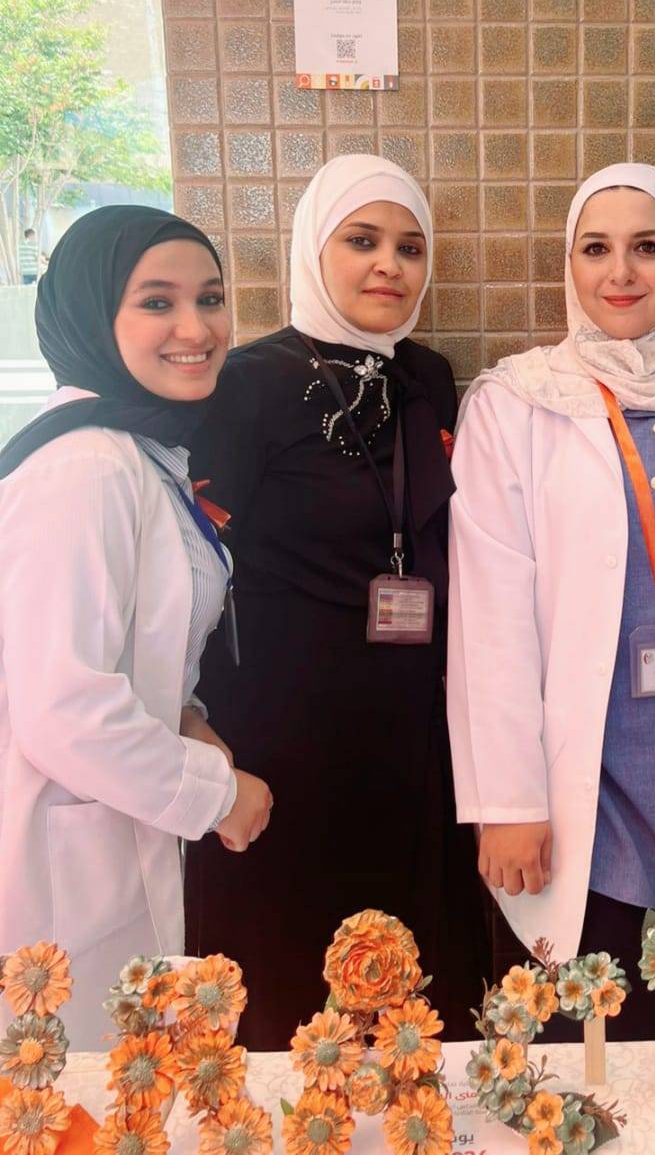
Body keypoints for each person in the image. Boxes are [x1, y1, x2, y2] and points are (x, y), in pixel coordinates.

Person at [447, 163, 655, 1040]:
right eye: (595, 249)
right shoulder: (515, 405)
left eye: (648, 247)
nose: (621, 273)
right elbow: (490, 622)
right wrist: (508, 801)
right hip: (588, 790)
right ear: (570, 266)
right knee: (588, 1048)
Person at [183, 155, 488, 1048]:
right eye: (361, 241)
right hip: (286, 728)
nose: (388, 264)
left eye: (409, 247)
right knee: (295, 974)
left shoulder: (428, 376)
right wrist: (190, 715)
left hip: (410, 722)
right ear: (314, 249)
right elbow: (196, 557)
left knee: (412, 973)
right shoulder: (246, 383)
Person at [0, 207, 272, 1048]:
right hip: (57, 863)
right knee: (75, 1087)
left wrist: (186, 716)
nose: (197, 329)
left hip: (110, 830)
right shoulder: (85, 470)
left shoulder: (137, 452)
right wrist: (217, 794)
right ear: (93, 314)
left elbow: (129, 640)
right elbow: (62, 706)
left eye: (210, 298)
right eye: (157, 302)